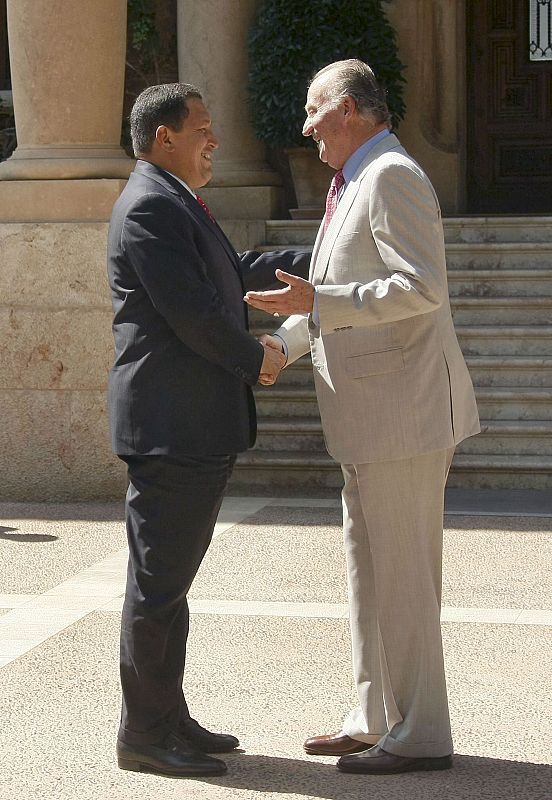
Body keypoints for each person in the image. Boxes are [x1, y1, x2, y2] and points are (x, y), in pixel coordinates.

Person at [245, 59, 480, 775]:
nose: (306, 126)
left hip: (402, 416)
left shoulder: (391, 176)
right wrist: (282, 349)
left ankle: (422, 733)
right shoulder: (355, 179)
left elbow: (420, 288)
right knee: (370, 575)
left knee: (404, 580)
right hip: (372, 417)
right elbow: (332, 293)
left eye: (315, 111)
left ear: (349, 107)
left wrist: (319, 306)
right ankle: (375, 714)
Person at [107, 82, 309, 778]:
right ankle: (144, 733)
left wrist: (319, 258)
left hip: (188, 423)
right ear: (164, 137)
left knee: (170, 583)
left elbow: (230, 274)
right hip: (172, 424)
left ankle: (169, 717)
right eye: (202, 129)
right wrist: (260, 360)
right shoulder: (150, 207)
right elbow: (193, 314)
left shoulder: (174, 201)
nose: (213, 141)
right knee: (157, 585)